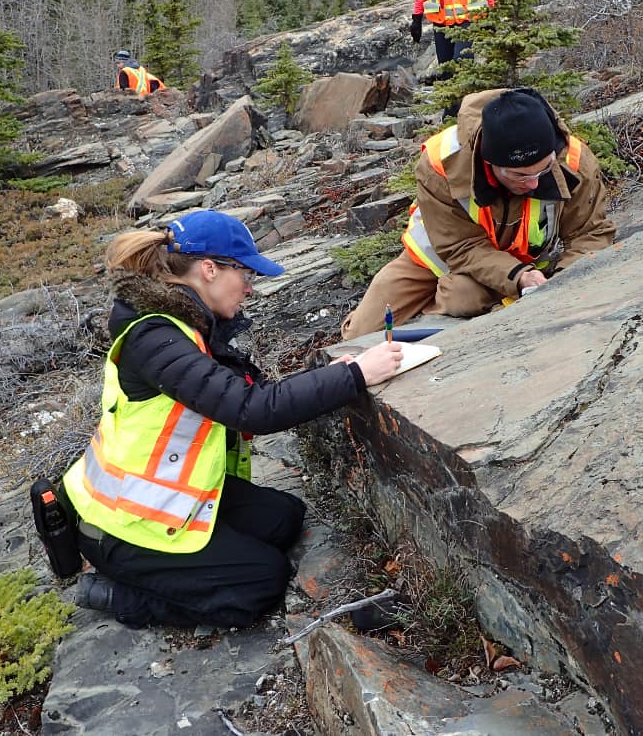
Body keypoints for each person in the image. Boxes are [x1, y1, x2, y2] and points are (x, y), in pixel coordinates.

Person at [63, 209, 402, 629]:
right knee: (261, 581)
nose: (250, 288)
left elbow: (245, 394)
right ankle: (121, 595)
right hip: (120, 525)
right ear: (209, 269)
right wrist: (354, 376)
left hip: (162, 504)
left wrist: (337, 374)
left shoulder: (188, 324)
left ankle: (186, 568)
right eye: (245, 274)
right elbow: (250, 409)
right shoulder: (155, 338)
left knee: (284, 518)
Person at [341, 88, 617, 339]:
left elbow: (590, 233)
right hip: (436, 255)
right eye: (519, 175)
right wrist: (517, 276)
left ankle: (455, 300)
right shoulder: (441, 163)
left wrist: (563, 284)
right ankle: (442, 301)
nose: (533, 184)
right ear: (489, 162)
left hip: (522, 263)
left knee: (464, 296)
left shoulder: (572, 160)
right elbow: (460, 246)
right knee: (360, 335)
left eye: (543, 171)